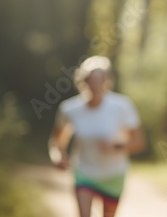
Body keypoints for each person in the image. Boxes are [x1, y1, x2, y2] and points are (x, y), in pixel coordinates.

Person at [48, 55, 145, 217]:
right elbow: (56, 142)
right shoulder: (70, 109)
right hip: (84, 172)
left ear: (107, 81)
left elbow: (139, 142)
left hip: (114, 174)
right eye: (91, 80)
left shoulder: (122, 106)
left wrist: (115, 146)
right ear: (83, 81)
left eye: (99, 80)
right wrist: (57, 156)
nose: (95, 85)